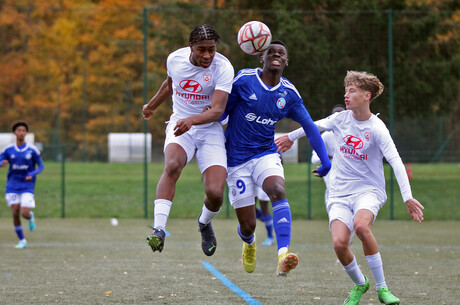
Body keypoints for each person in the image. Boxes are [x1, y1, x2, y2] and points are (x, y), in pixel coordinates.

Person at [275, 71, 424, 304]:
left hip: (369, 191)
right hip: (339, 193)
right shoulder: (340, 119)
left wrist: (407, 197)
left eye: (351, 91)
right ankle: (360, 284)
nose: (346, 95)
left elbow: (395, 161)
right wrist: (290, 137)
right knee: (339, 243)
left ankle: (383, 288)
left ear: (366, 95)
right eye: (346, 90)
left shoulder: (377, 128)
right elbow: (312, 126)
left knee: (361, 227)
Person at [222, 40, 331, 276]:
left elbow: (310, 127)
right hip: (236, 159)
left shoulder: (289, 93)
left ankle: (283, 255)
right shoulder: (244, 80)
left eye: (281, 52)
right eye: (271, 51)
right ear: (261, 58)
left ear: (286, 61)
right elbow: (221, 111)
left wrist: (325, 160)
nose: (276, 54)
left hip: (265, 153)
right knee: (248, 225)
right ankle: (249, 243)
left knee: (278, 190)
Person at [142, 24, 234, 256]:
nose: (207, 55)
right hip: (180, 125)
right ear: (190, 46)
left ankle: (204, 223)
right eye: (202, 49)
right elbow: (170, 84)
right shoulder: (175, 59)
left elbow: (217, 111)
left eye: (211, 49)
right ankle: (159, 229)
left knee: (215, 193)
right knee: (172, 165)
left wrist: (192, 120)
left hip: (209, 129)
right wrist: (151, 105)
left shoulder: (223, 67)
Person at [0, 120, 44, 249]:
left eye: (23, 130)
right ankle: (22, 240)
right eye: (18, 130)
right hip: (12, 184)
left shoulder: (32, 149)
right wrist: (1, 163)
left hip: (27, 184)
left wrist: (33, 173)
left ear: (26, 133)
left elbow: (41, 166)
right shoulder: (8, 149)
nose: (21, 133)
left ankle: (30, 217)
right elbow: (1, 159)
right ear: (15, 132)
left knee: (24, 213)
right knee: (15, 211)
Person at [310, 104, 345, 203]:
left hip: (348, 169)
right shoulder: (326, 136)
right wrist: (325, 157)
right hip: (331, 169)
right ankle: (333, 216)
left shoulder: (352, 134)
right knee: (333, 192)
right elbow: (314, 158)